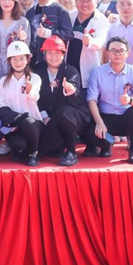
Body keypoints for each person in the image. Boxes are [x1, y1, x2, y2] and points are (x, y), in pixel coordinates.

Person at [85, 37, 133, 164]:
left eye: (121, 51)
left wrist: (130, 100)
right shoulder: (97, 72)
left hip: (127, 117)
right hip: (106, 117)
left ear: (127, 53)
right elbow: (91, 99)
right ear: (107, 53)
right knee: (91, 132)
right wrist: (99, 123)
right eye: (113, 50)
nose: (117, 54)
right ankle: (108, 143)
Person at [36, 36, 91, 167]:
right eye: (49, 53)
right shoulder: (37, 70)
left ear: (63, 54)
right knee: (44, 148)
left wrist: (70, 89)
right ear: (44, 54)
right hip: (50, 116)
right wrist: (44, 116)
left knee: (64, 112)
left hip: (74, 113)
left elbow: (74, 87)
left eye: (57, 53)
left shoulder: (70, 70)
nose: (53, 56)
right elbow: (35, 97)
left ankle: (71, 152)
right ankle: (55, 147)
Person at [0, 41, 44, 166]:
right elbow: (2, 106)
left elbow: (35, 96)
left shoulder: (35, 78)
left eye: (22, 58)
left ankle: (34, 153)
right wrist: (16, 120)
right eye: (14, 59)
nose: (18, 62)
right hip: (13, 125)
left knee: (28, 122)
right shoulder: (3, 81)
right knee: (18, 145)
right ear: (9, 61)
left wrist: (29, 90)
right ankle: (23, 150)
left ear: (28, 60)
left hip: (33, 123)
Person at [26, 0, 74, 67]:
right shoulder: (30, 12)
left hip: (54, 61)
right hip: (33, 60)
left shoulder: (60, 10)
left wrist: (49, 33)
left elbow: (69, 34)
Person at [67, 0, 109, 88]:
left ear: (96, 0)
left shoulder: (101, 20)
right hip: (68, 68)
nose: (84, 4)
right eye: (80, 0)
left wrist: (90, 42)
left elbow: (100, 42)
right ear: (75, 1)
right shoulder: (70, 17)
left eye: (88, 0)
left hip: (89, 70)